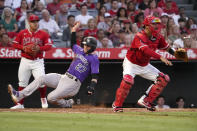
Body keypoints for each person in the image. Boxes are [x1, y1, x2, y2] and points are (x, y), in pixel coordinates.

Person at [8, 22, 100, 108]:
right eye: (84, 45)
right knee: (41, 78)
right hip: (64, 77)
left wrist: (92, 86)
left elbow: (95, 75)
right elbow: (73, 44)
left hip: (73, 83)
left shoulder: (94, 58)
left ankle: (67, 103)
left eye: (88, 46)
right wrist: (73, 30)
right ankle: (19, 95)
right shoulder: (79, 50)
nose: (85, 47)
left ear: (92, 47)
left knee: (50, 98)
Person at [112, 15, 184, 112]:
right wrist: (160, 57)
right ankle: (117, 105)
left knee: (163, 79)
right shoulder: (139, 36)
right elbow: (146, 50)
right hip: (131, 63)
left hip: (144, 65)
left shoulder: (158, 37)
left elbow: (167, 48)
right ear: (146, 26)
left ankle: (145, 100)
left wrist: (177, 54)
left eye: (157, 24)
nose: (156, 26)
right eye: (153, 24)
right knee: (128, 81)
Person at [11, 14, 53, 109]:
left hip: (38, 61)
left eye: (37, 21)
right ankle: (20, 104)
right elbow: (14, 44)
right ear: (29, 23)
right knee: (22, 83)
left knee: (41, 81)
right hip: (25, 60)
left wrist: (40, 48)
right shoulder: (22, 33)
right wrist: (23, 47)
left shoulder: (43, 34)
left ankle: (43, 98)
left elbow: (49, 46)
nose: (35, 23)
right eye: (33, 22)